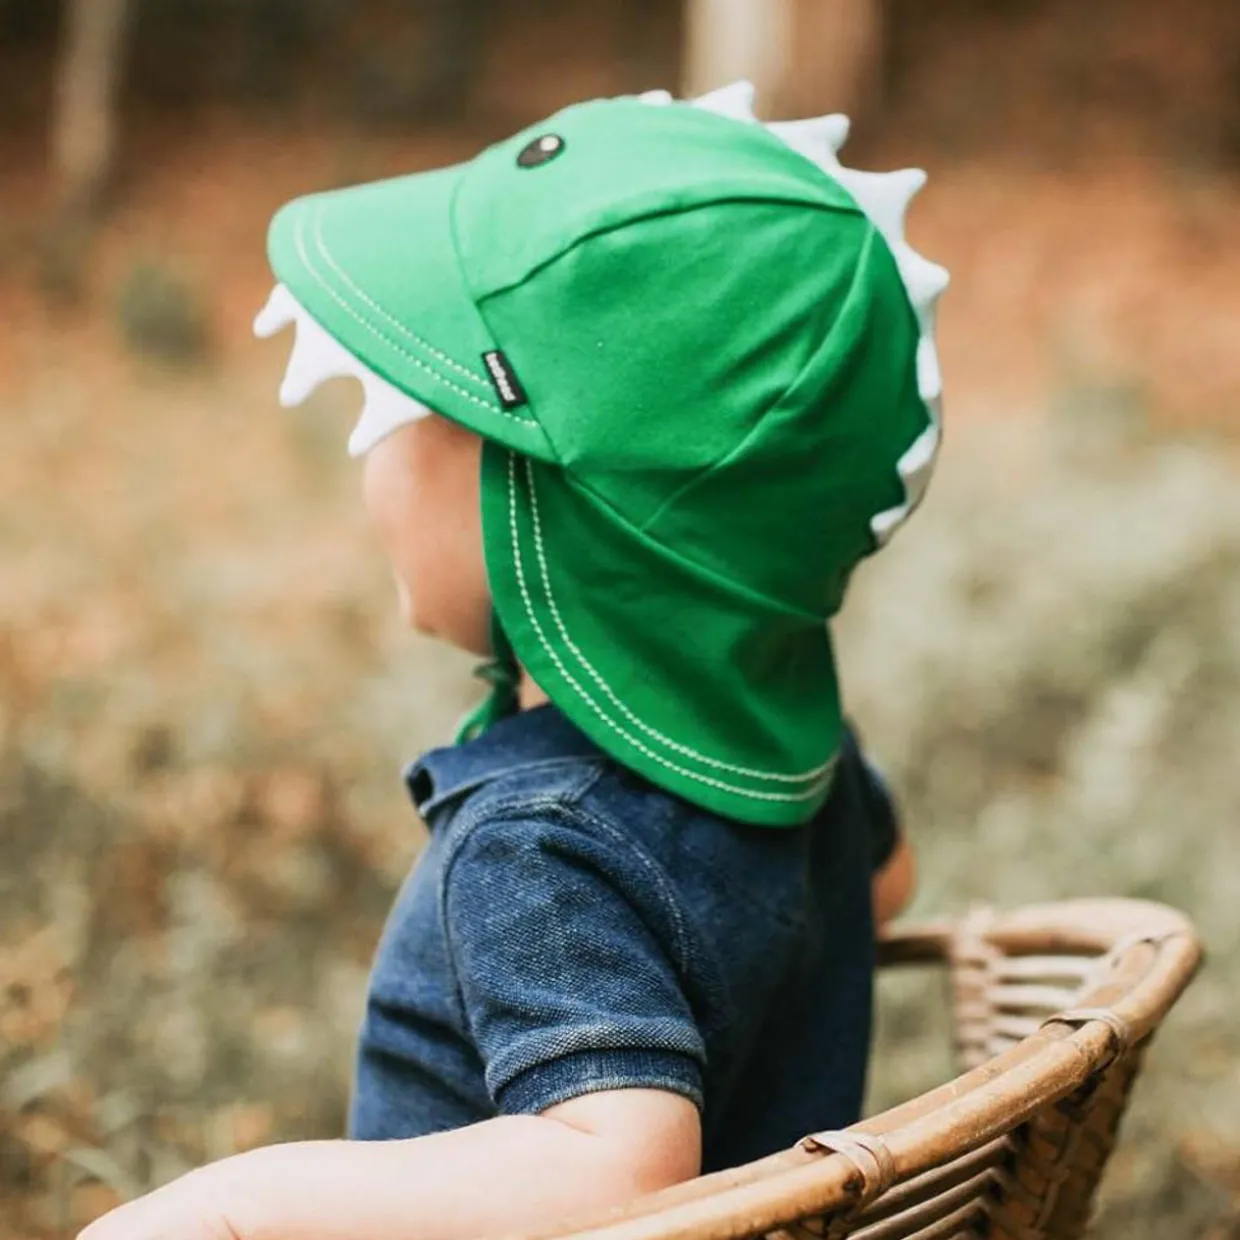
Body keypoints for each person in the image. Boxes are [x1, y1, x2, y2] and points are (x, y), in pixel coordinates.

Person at [80, 81, 944, 1240]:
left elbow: (625, 1177)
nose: (369, 450)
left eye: (398, 406)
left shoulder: (538, 844)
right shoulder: (789, 749)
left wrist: (238, 1207)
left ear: (544, 517)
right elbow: (884, 884)